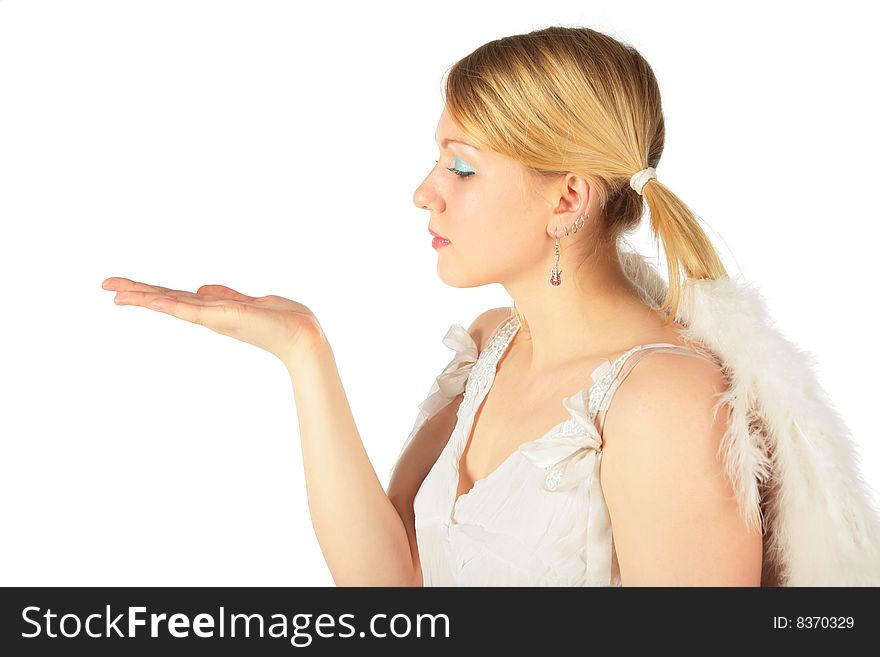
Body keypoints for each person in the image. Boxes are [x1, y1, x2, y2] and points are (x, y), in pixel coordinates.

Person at [102, 26, 880, 586]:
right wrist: (305, 352)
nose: (423, 191)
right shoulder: (491, 347)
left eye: (463, 167)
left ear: (568, 197)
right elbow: (390, 591)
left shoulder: (663, 404)